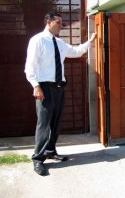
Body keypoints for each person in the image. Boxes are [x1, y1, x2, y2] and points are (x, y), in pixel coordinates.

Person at [25, 12, 96, 176]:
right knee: (43, 124)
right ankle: (38, 159)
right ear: (48, 22)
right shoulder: (37, 41)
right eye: (59, 23)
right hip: (44, 87)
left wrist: (90, 42)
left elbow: (76, 51)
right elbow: (30, 66)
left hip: (58, 87)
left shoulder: (59, 42)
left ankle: (50, 150)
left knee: (56, 123)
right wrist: (36, 86)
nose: (61, 26)